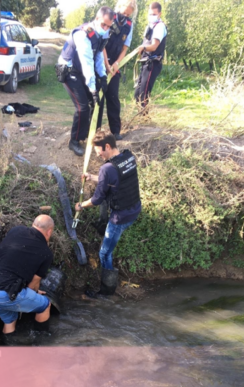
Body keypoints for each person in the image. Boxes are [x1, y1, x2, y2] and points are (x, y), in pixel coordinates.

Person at [75, 131, 142, 297]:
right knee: (108, 243)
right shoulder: (128, 157)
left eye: (99, 152)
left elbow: (97, 200)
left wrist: (80, 205)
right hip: (135, 209)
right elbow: (115, 180)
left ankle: (106, 292)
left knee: (104, 253)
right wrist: (92, 177)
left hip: (120, 218)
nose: (98, 156)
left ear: (107, 146)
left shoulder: (107, 168)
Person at [0, 215, 55, 342]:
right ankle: (42, 341)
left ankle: (10, 346)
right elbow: (33, 285)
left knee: (10, 321)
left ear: (34, 224)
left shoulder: (16, 230)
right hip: (5, 295)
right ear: (49, 232)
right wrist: (35, 294)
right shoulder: (45, 252)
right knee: (45, 305)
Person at [57, 7, 115, 156]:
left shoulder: (103, 33)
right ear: (96, 19)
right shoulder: (83, 34)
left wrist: (102, 77)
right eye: (103, 25)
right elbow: (87, 61)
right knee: (82, 107)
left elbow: (98, 57)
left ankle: (94, 136)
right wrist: (93, 89)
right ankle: (74, 141)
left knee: (98, 102)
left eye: (109, 26)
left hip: (83, 71)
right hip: (70, 71)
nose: (106, 28)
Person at [97, 0, 137, 141]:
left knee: (113, 97)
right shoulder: (108, 19)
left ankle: (115, 131)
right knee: (99, 98)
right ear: (118, 8)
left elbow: (125, 49)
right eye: (122, 12)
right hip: (100, 60)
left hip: (114, 66)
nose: (124, 15)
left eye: (127, 14)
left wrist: (116, 63)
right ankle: (96, 131)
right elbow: (102, 44)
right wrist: (106, 64)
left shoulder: (129, 26)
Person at [133, 2, 167, 111]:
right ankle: (140, 117)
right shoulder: (150, 26)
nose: (151, 16)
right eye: (150, 14)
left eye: (154, 14)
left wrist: (143, 48)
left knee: (144, 93)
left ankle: (144, 119)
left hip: (153, 63)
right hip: (145, 62)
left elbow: (153, 46)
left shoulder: (159, 27)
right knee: (137, 93)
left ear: (159, 14)